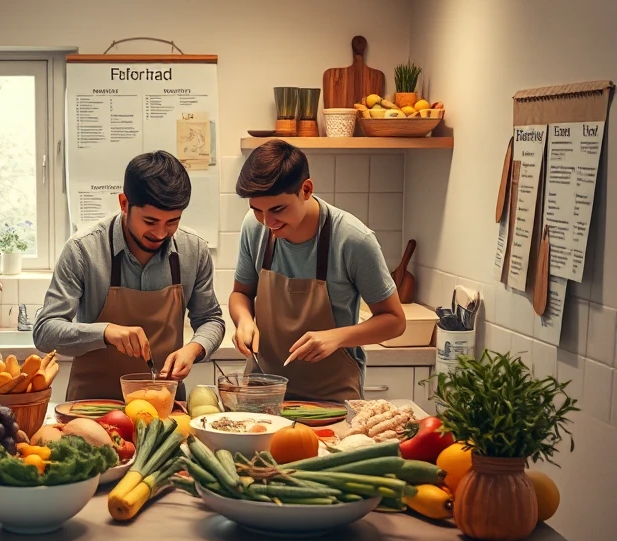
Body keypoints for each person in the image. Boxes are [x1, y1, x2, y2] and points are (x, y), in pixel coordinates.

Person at [33, 151, 225, 402]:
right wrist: (105, 332)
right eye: (150, 221)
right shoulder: (83, 250)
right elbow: (45, 332)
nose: (160, 233)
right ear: (124, 203)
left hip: (164, 407)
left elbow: (211, 319)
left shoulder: (194, 250)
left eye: (172, 222)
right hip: (92, 407)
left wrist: (194, 348)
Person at [229, 140, 405, 401]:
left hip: (332, 397)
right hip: (264, 391)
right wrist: (244, 320)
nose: (268, 222)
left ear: (306, 190)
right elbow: (241, 294)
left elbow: (394, 321)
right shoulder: (255, 228)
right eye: (257, 210)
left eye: (278, 209)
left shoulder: (353, 240)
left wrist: (337, 337)